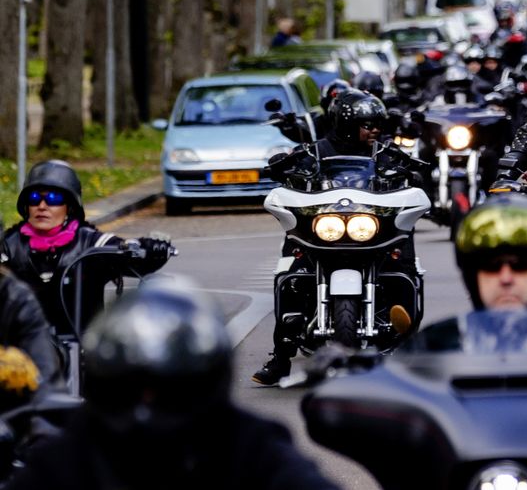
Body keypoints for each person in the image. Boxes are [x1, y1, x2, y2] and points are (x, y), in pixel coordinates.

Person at [7, 280, 341, 490]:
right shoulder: (66, 458)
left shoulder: (252, 449)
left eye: (173, 392)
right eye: (128, 388)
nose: (148, 406)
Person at [254, 89, 404, 385]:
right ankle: (281, 358)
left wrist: (411, 171)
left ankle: (405, 343)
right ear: (346, 124)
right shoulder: (314, 151)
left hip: (370, 228)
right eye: (367, 125)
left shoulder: (385, 153)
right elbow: (288, 167)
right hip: (325, 228)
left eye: (377, 124)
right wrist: (282, 165)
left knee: (403, 263)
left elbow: (412, 172)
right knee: (291, 273)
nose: (374, 130)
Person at [1, 161, 172, 337]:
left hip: (84, 348)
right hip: (22, 351)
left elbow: (128, 253)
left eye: (54, 198)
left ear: (70, 205)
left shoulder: (90, 241)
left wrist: (150, 249)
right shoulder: (9, 245)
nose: (42, 206)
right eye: (34, 198)